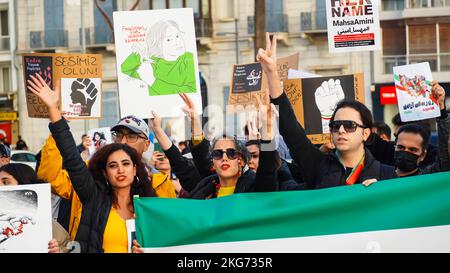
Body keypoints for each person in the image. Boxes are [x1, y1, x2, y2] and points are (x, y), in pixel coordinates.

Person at [27, 73, 157, 253]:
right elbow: (72, 158)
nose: (120, 169)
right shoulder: (94, 198)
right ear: (104, 172)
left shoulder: (150, 205)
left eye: (126, 164)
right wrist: (54, 112)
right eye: (112, 165)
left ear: (135, 169)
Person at [257, 32, 397, 189]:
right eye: (336, 126)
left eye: (349, 125)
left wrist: (383, 193)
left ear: (365, 133)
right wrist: (271, 72)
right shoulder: (318, 166)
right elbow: (292, 132)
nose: (341, 130)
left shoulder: (388, 175)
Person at [0, 163, 71, 253]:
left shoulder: (49, 226)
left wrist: (58, 250)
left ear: (25, 186)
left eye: (5, 182)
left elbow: (68, 247)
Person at [121, 20, 196, 96]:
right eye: (169, 39)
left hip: (181, 107)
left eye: (177, 36)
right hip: (156, 107)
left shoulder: (189, 59)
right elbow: (126, 68)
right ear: (158, 44)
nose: (178, 42)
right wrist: (138, 54)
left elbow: (191, 92)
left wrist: (152, 81)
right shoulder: (153, 62)